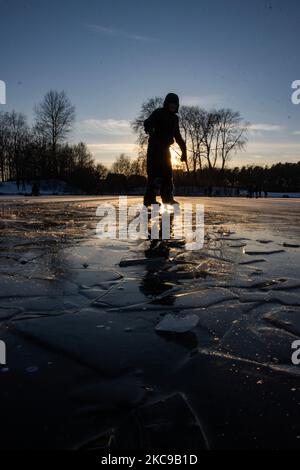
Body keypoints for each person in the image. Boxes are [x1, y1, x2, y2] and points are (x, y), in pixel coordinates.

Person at [143, 93, 187, 206]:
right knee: (154, 174)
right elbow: (148, 122)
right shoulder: (159, 113)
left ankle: (167, 197)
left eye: (175, 105)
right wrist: (149, 128)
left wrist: (184, 152)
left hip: (165, 150)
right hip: (154, 148)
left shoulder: (175, 119)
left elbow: (178, 136)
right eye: (171, 104)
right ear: (167, 104)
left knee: (167, 174)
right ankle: (149, 199)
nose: (173, 106)